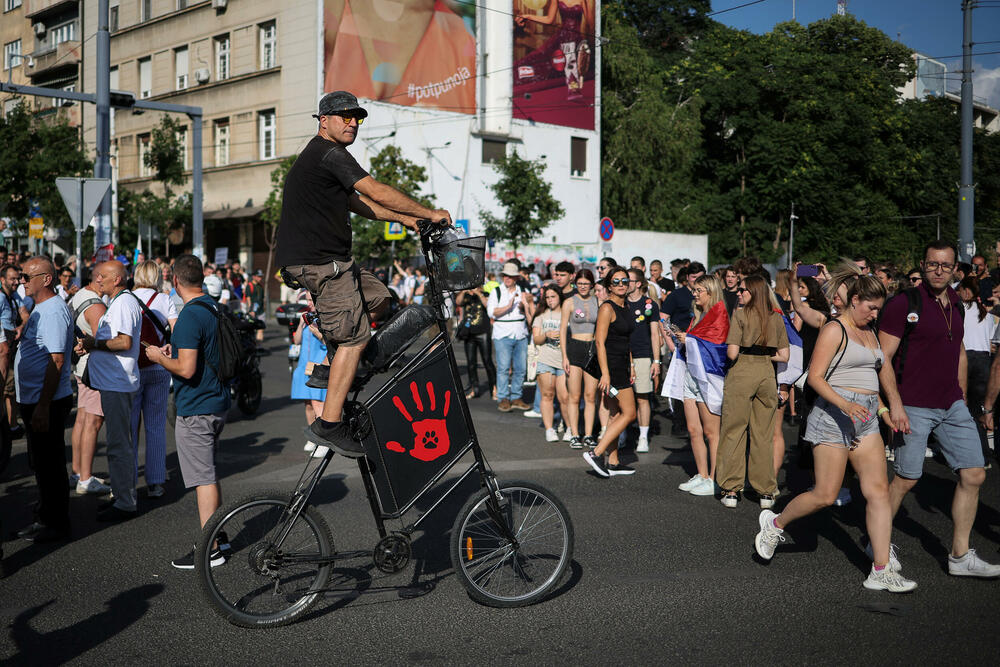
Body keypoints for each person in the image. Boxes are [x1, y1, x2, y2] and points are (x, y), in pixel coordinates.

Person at [275, 91, 451, 457]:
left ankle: (329, 367)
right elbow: (375, 190)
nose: (353, 122)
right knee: (355, 338)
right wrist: (430, 212)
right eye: (344, 116)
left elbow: (358, 202)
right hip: (322, 263)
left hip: (334, 259)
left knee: (378, 296)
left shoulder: (323, 158)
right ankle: (330, 424)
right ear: (323, 120)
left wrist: (408, 219)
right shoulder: (330, 154)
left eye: (357, 117)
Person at [753, 275, 918, 592]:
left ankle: (880, 570)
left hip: (866, 415)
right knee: (826, 495)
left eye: (878, 310)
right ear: (855, 300)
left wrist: (885, 410)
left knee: (878, 492)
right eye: (871, 308)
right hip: (833, 415)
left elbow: (875, 376)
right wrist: (845, 404)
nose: (875, 315)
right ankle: (774, 524)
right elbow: (814, 377)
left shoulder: (869, 331)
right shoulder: (834, 329)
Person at [881, 240, 1000, 577]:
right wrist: (896, 405)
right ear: (924, 264)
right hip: (913, 405)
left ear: (954, 270)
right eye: (932, 264)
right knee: (906, 478)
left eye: (945, 266)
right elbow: (884, 359)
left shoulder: (957, 305)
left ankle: (960, 557)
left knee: (974, 474)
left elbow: (959, 352)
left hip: (951, 404)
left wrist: (961, 396)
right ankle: (878, 542)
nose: (938, 270)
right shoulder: (904, 302)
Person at [144, 255, 232, 569]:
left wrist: (158, 356)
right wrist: (175, 351)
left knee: (203, 478)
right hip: (217, 400)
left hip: (197, 405)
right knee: (209, 474)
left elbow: (185, 368)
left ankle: (210, 549)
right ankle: (219, 537)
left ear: (176, 281)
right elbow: (203, 352)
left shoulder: (189, 316)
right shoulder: (213, 306)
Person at [13, 257, 74, 543]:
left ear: (46, 279)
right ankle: (47, 515)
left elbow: (57, 360)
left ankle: (56, 523)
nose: (21, 281)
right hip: (35, 398)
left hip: (44, 400)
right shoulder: (40, 308)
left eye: (26, 276)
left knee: (49, 464)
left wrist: (43, 405)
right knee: (41, 462)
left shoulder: (52, 311)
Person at [77, 260, 143, 522]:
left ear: (117, 279)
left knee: (119, 445)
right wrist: (92, 346)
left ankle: (125, 502)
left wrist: (95, 343)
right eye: (96, 276)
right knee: (118, 444)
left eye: (102, 276)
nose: (97, 280)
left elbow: (124, 342)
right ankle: (121, 496)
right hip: (112, 383)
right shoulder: (118, 302)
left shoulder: (124, 302)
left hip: (118, 383)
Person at [716, 275, 789, 508]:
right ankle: (765, 490)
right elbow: (785, 356)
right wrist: (766, 354)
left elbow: (732, 353)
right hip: (767, 373)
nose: (738, 293)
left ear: (754, 292)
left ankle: (731, 488)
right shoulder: (775, 318)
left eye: (743, 290)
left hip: (743, 371)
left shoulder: (740, 315)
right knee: (763, 434)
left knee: (734, 430)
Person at [673, 274, 730, 496]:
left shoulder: (719, 314)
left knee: (711, 431)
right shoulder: (698, 315)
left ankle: (715, 479)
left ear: (711, 291)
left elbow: (718, 348)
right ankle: (702, 474)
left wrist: (690, 340)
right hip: (691, 375)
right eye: (694, 291)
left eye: (699, 291)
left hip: (708, 377)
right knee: (693, 429)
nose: (695, 294)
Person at [582, 267, 637, 477]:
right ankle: (596, 452)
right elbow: (599, 342)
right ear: (608, 286)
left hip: (622, 365)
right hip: (612, 369)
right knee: (630, 412)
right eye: (616, 282)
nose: (621, 284)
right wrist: (605, 374)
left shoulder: (626, 306)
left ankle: (613, 461)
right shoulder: (607, 307)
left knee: (616, 413)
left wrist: (631, 365)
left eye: (624, 280)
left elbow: (626, 341)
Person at [130, 261, 177, 499]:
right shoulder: (164, 299)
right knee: (155, 425)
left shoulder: (125, 298)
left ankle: (127, 482)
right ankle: (156, 481)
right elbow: (175, 331)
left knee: (129, 427)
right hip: (158, 363)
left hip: (133, 367)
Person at [68, 273, 111, 496]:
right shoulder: (96, 305)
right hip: (92, 368)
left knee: (83, 419)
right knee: (93, 422)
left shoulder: (79, 296)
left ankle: (78, 473)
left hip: (81, 368)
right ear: (99, 278)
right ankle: (85, 478)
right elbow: (101, 341)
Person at [561, 268, 600, 448]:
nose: (583, 287)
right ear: (575, 284)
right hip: (575, 347)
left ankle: (589, 434)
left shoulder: (598, 301)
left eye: (586, 284)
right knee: (574, 396)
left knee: (591, 395)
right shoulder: (569, 302)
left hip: (592, 349)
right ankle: (575, 433)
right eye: (580, 283)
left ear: (592, 284)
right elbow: (562, 331)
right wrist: (564, 356)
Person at [488, 262, 534, 412]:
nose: (507, 278)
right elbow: (492, 312)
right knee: (503, 367)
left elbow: (530, 312)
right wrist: (508, 306)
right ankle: (503, 398)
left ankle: (516, 396)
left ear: (516, 278)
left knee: (520, 368)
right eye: (505, 275)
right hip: (502, 333)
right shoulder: (497, 291)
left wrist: (524, 305)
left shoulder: (523, 291)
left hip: (520, 332)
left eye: (510, 276)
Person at [625, 269, 661, 453]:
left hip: (642, 355)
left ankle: (643, 437)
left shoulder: (650, 305)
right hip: (622, 356)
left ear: (638, 283)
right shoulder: (620, 303)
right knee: (620, 398)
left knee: (642, 397)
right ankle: (622, 435)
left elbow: (655, 334)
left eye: (628, 280)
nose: (624, 283)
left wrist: (656, 361)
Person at [532, 284, 572, 442]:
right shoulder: (541, 315)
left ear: (560, 297)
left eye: (553, 296)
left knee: (565, 397)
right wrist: (546, 334)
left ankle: (570, 428)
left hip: (564, 360)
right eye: (547, 297)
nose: (550, 300)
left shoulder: (567, 313)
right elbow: (536, 339)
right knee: (547, 395)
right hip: (545, 358)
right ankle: (549, 429)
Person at [291, 292, 329, 455]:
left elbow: (328, 342)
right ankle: (313, 436)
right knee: (307, 404)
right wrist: (300, 325)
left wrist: (316, 331)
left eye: (311, 300)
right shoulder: (305, 317)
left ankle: (324, 440)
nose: (309, 303)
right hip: (303, 365)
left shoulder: (325, 318)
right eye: (307, 300)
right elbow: (296, 341)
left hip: (318, 365)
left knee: (317, 402)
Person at [457, 287, 495, 399]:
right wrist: (463, 290)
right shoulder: (466, 296)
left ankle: (494, 388)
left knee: (487, 361)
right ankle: (474, 389)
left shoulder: (486, 294)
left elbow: (488, 305)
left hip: (483, 332)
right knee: (471, 363)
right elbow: (458, 302)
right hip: (469, 333)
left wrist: (478, 293)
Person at [662, 261, 705, 333]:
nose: (697, 280)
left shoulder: (709, 294)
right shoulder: (675, 295)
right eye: (694, 277)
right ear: (687, 277)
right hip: (680, 341)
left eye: (700, 277)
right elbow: (662, 320)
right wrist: (670, 343)